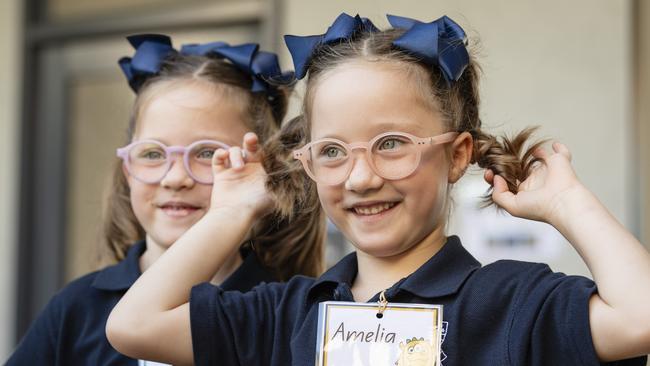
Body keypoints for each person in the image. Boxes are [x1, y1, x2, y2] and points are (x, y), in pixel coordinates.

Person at [106, 14, 650, 365]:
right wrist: (231, 213)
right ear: (309, 163)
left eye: (391, 144)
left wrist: (567, 204)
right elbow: (135, 326)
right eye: (334, 152)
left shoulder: (511, 303)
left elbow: (640, 317)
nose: (362, 177)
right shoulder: (285, 315)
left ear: (457, 154)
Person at [7, 34, 325, 365]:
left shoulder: (280, 311)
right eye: (153, 154)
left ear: (263, 170)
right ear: (127, 170)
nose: (175, 178)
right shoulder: (75, 309)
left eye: (206, 153)